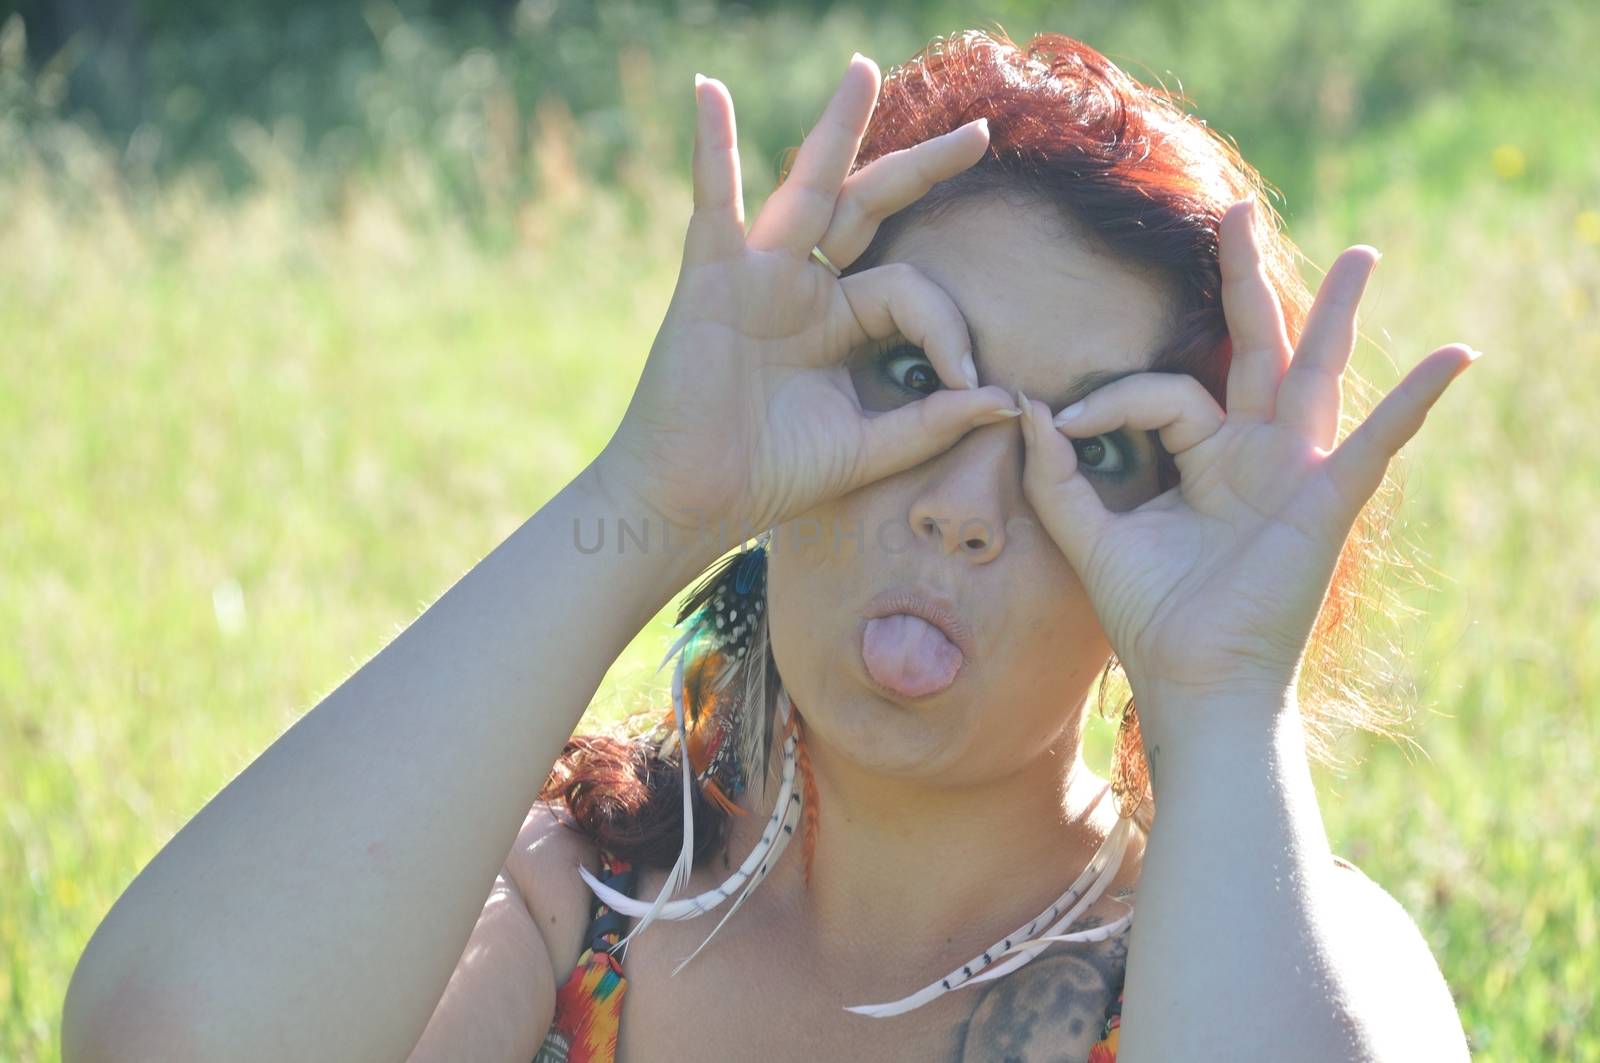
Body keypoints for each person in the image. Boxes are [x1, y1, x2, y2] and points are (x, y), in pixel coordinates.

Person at [62, 29, 1476, 1063]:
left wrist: (1228, 699)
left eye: (1097, 451)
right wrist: (646, 503)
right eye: (915, 376)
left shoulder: (1270, 961)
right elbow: (167, 1040)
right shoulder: (580, 894)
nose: (964, 502)